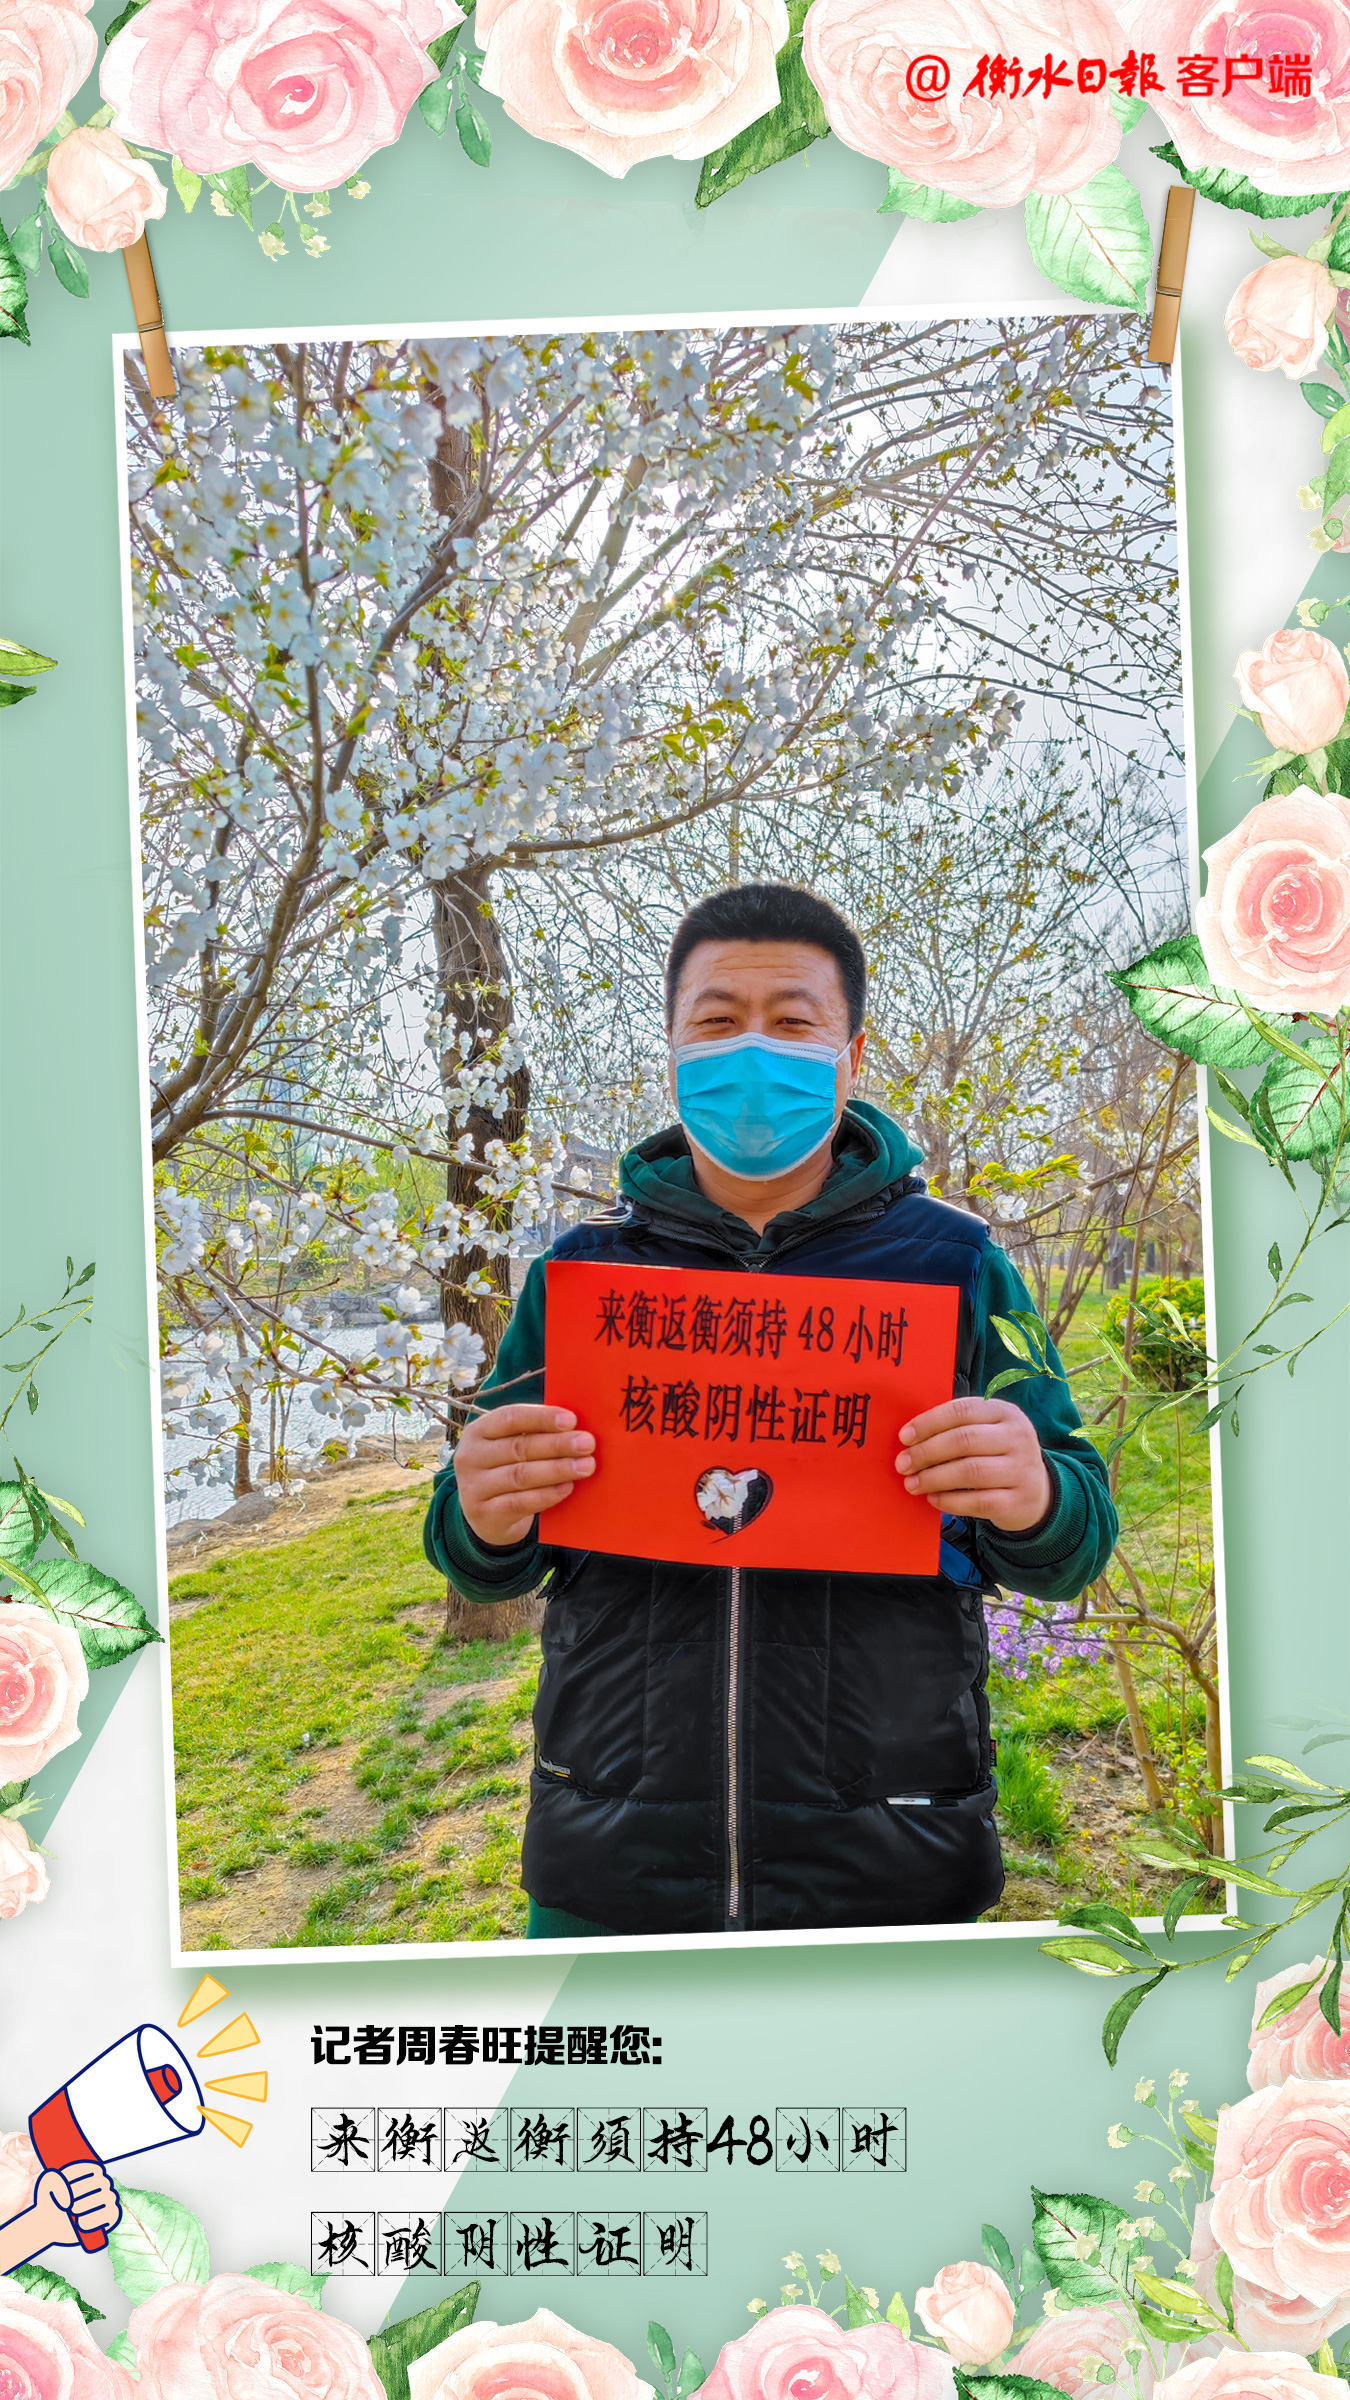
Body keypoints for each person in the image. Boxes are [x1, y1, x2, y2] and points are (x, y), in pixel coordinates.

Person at [424, 883, 1118, 1938]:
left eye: (792, 1022)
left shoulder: (959, 1267)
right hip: (611, 1861)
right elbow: (481, 1555)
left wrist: (1035, 1496)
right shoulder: (582, 1279)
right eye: (717, 1021)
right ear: (672, 1050)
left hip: (886, 1863)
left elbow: (1076, 1541)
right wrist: (481, 1512)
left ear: (852, 1055)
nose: (753, 1050)